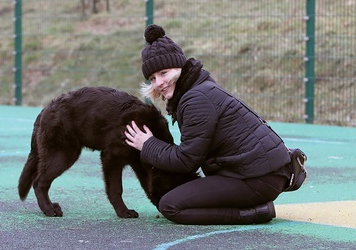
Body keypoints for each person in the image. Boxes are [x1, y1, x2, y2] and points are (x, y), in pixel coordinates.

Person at [124, 24, 293, 225]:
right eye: (152, 78)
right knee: (180, 196)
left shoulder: (196, 99)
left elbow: (186, 160)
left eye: (164, 73)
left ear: (179, 68)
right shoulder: (196, 90)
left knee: (171, 205)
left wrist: (148, 144)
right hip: (257, 173)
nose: (158, 82)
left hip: (258, 179)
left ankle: (255, 212)